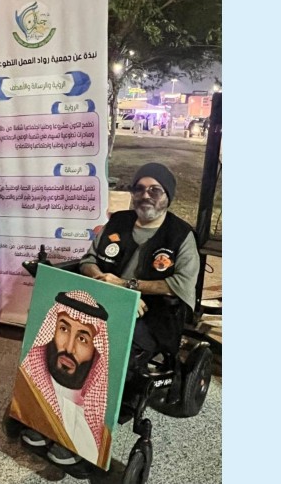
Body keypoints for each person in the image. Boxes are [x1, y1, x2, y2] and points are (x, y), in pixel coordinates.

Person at [80, 163, 199, 391]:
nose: (145, 195)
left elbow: (181, 284)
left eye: (155, 190)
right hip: (106, 298)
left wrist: (126, 288)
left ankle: (106, 393)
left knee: (112, 340)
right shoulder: (117, 222)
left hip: (154, 313)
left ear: (168, 196)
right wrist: (104, 281)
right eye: (139, 189)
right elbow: (88, 261)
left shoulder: (181, 235)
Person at [9, 290, 112, 468]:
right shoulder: (31, 380)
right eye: (63, 329)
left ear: (95, 351)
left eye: (82, 339)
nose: (69, 348)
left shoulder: (92, 414)